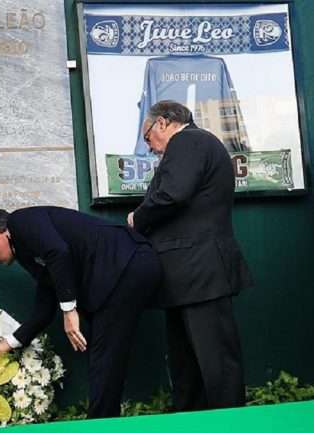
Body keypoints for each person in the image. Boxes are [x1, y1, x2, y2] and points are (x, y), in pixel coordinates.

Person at [0, 206, 162, 419]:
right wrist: (9, 343)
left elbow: (58, 252)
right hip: (121, 274)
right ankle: (103, 421)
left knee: (104, 359)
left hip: (129, 264)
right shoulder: (28, 251)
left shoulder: (19, 222)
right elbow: (44, 307)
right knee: (104, 358)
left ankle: (99, 425)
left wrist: (69, 310)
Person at [127, 100, 252, 411]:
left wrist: (138, 219)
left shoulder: (188, 141)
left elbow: (173, 193)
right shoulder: (198, 145)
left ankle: (230, 427)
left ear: (164, 123)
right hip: (188, 275)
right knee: (188, 367)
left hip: (200, 272)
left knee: (215, 363)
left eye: (147, 137)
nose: (150, 147)